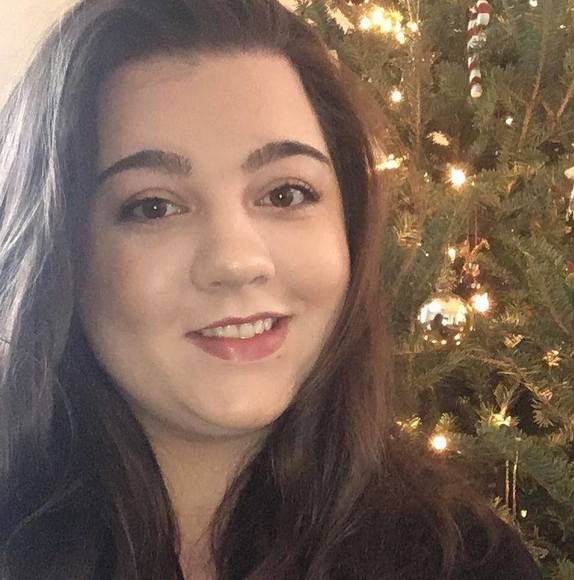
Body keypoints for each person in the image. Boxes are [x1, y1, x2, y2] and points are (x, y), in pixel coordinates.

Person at [0, 1, 542, 578]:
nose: (237, 261)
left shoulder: (468, 561)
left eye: (285, 194)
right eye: (153, 206)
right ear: (60, 249)